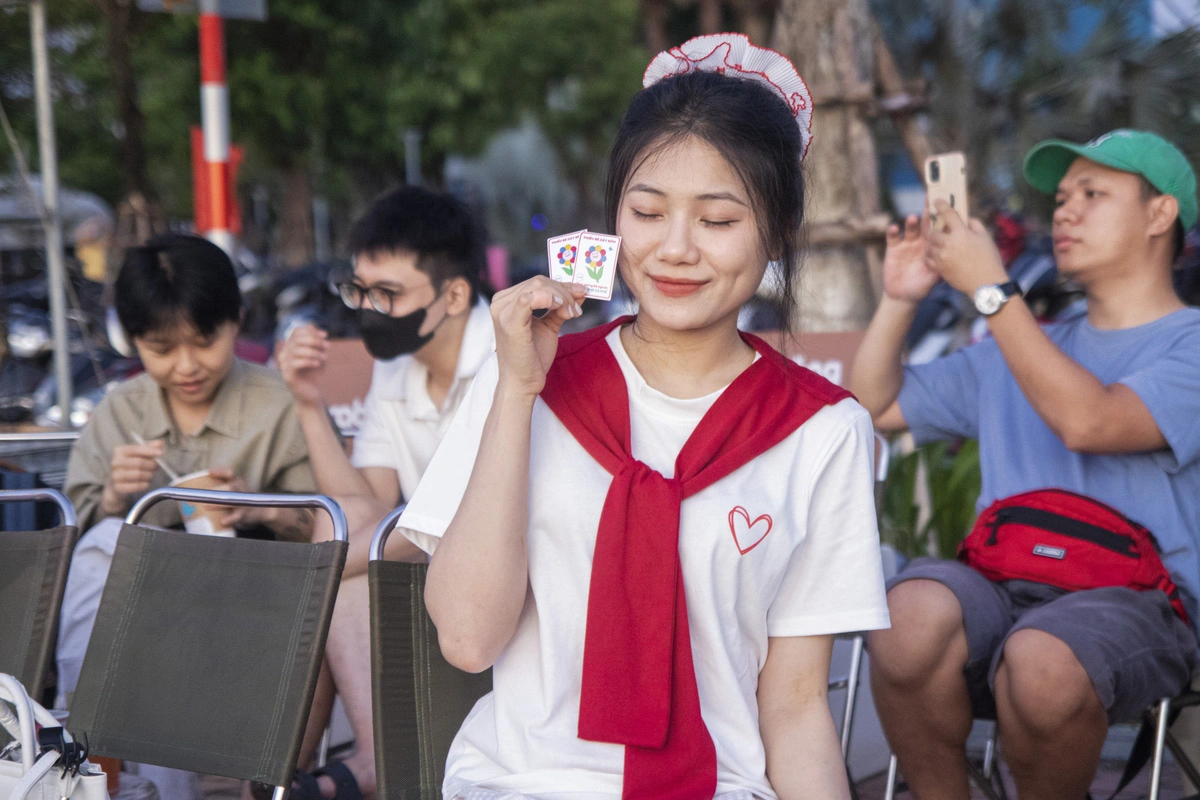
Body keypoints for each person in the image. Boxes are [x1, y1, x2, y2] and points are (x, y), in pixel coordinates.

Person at [394, 33, 890, 800]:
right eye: (648, 212)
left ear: (777, 234)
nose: (675, 250)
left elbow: (794, 707)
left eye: (719, 221)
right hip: (522, 785)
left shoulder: (821, 433)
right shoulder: (528, 378)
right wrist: (519, 394)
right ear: (612, 222)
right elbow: (466, 638)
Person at [852, 129, 1200, 800]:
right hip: (1001, 586)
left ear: (1161, 215)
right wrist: (900, 298)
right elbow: (870, 407)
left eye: (1093, 195)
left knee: (1042, 660)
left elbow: (1090, 422)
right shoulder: (1019, 347)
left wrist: (990, 288)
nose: (1064, 212)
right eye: (1063, 197)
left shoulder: (1190, 343)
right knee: (906, 617)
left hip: (1140, 601)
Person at [59, 233, 318, 800]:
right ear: (133, 342)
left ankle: (88, 745)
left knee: (122, 564)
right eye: (160, 348)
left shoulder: (277, 405)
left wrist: (257, 506)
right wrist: (111, 497)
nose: (185, 366)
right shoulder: (119, 411)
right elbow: (69, 542)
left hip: (254, 607)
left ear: (236, 322)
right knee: (106, 540)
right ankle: (90, 745)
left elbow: (326, 532)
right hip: (143, 616)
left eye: (203, 342)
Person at [272, 185, 494, 800]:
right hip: (411, 565)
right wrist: (308, 405)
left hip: (494, 580)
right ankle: (344, 765)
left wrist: (338, 552)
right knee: (340, 535)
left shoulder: (510, 358)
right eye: (360, 290)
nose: (368, 308)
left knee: (336, 555)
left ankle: (280, 769)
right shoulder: (399, 367)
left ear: (454, 294)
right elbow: (363, 501)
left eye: (387, 294)